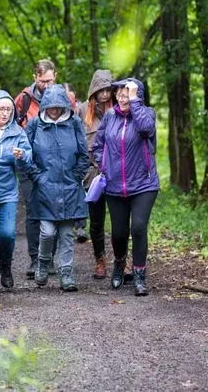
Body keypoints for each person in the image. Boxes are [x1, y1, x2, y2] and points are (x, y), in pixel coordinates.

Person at [93, 78, 159, 296]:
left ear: (137, 96)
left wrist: (135, 103)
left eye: (127, 94)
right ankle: (120, 263)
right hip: (114, 185)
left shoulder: (146, 114)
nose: (122, 99)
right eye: (120, 94)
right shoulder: (110, 116)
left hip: (143, 183)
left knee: (138, 228)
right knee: (119, 233)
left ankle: (140, 275)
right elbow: (98, 144)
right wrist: (104, 164)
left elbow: (146, 129)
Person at [25, 84, 89, 291]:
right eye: (50, 106)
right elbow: (26, 156)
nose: (54, 109)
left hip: (69, 188)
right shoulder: (35, 125)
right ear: (44, 106)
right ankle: (43, 262)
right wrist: (38, 177)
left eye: (58, 105)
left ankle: (66, 273)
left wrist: (76, 176)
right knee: (47, 232)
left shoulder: (74, 123)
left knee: (67, 234)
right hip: (44, 188)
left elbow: (83, 154)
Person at [0, 90, 32, 294]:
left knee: (8, 234)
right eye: (1, 109)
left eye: (9, 109)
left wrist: (22, 156)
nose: (5, 113)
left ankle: (5, 266)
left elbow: (29, 158)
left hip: (7, 192)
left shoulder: (17, 132)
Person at [15, 59, 57, 279]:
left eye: (50, 80)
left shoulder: (63, 98)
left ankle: (49, 259)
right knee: (33, 211)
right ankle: (34, 259)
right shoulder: (23, 100)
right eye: (43, 81)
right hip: (28, 164)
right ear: (35, 78)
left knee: (55, 210)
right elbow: (13, 126)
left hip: (55, 165)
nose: (47, 85)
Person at [77, 70, 113, 278]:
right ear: (93, 90)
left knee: (119, 220)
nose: (105, 94)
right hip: (93, 175)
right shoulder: (82, 111)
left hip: (116, 173)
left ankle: (121, 260)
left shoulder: (118, 109)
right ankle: (100, 259)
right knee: (96, 220)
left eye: (109, 89)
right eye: (101, 90)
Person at [64, 82, 88, 243]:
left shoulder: (81, 110)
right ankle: (67, 224)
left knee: (80, 192)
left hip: (78, 156)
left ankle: (80, 226)